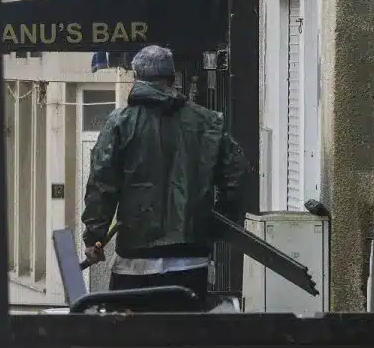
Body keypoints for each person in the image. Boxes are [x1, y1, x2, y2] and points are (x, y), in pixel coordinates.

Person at [80, 44, 249, 307]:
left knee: (130, 340)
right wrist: (217, 223)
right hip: (190, 260)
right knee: (182, 342)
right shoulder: (207, 122)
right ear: (171, 79)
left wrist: (94, 236)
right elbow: (236, 175)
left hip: (134, 261)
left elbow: (102, 184)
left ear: (136, 79)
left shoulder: (120, 123)